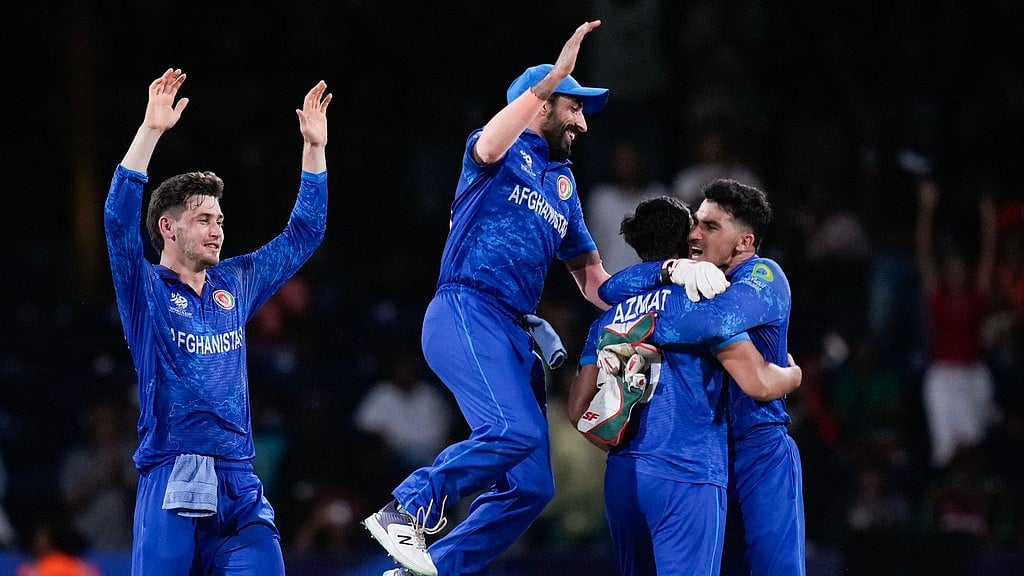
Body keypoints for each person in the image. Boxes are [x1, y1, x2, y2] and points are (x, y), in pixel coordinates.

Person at [361, 21, 726, 576]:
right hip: (466, 310)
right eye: (573, 107)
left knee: (533, 486)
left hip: (513, 331)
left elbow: (596, 283)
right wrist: (553, 77)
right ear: (542, 104)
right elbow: (490, 141)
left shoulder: (564, 185)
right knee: (513, 431)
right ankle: (406, 507)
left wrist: (666, 277)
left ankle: (426, 570)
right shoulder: (496, 151)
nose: (583, 122)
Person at [103, 68, 331, 575]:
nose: (217, 231)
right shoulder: (146, 290)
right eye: (204, 219)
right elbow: (118, 223)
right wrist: (150, 131)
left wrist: (314, 149)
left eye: (220, 221)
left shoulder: (236, 282)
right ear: (168, 227)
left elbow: (305, 233)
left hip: (239, 481)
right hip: (172, 473)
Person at [566, 196, 801, 575]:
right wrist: (793, 374)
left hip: (623, 476)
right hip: (688, 472)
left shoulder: (608, 317)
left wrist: (629, 446)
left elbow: (578, 410)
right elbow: (755, 381)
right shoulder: (699, 301)